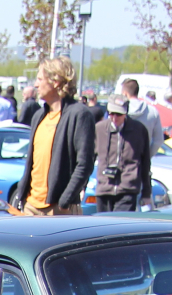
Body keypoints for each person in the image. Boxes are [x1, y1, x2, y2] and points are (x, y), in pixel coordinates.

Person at [14, 56, 95, 216]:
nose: (36, 84)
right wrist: (20, 194)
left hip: (58, 209)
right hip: (31, 206)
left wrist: (65, 201)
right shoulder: (39, 116)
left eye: (39, 79)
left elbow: (84, 164)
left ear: (56, 81)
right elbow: (32, 163)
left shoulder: (79, 114)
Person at [93, 95, 151, 212]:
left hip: (128, 190)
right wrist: (81, 187)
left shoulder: (139, 130)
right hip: (104, 188)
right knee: (103, 227)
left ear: (126, 113)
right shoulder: (99, 129)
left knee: (118, 228)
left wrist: (146, 193)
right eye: (111, 113)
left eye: (118, 114)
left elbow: (145, 163)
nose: (114, 117)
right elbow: (88, 159)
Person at [120, 77, 161, 145]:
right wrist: (147, 154)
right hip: (143, 153)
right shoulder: (152, 111)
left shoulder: (119, 111)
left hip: (121, 153)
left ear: (125, 94)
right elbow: (158, 140)